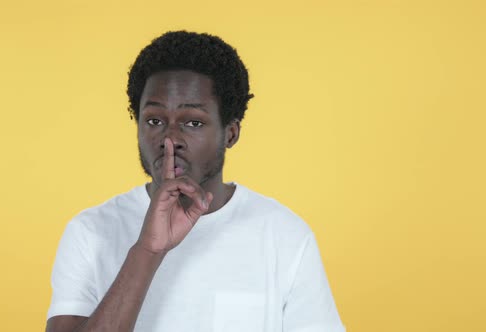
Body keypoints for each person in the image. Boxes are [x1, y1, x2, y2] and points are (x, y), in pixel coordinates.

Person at [45, 31, 345, 332]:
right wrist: (148, 251)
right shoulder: (90, 232)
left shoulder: (284, 235)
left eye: (193, 123)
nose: (170, 139)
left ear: (231, 133)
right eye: (154, 121)